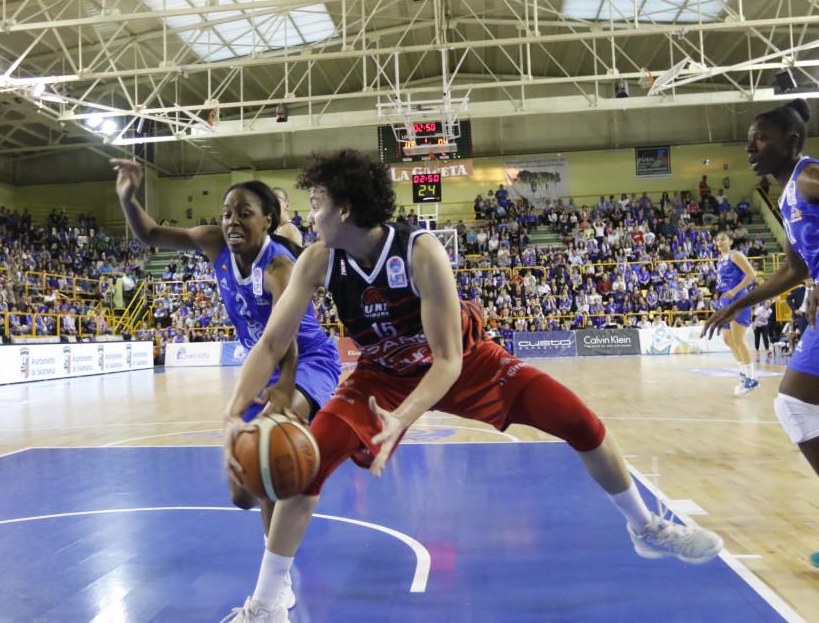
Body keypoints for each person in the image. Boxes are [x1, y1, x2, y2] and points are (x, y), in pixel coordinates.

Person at [222, 150, 723, 621]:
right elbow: (270, 344)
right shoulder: (317, 259)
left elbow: (447, 361)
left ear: (345, 210)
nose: (310, 217)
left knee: (581, 422)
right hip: (380, 376)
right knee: (307, 465)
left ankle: (644, 527)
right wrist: (232, 413)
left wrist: (403, 420)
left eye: (317, 205)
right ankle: (268, 601)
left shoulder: (420, 252)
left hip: (468, 362)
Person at [113, 159, 340, 606]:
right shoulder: (213, 242)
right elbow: (152, 235)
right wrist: (127, 197)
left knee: (270, 442)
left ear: (268, 220)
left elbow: (286, 342)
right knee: (243, 492)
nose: (233, 221)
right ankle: (276, 544)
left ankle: (276, 581)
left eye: (245, 213)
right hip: (265, 361)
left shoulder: (279, 268)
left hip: (307, 359)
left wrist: (283, 392)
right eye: (227, 212)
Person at [702, 98, 819, 569]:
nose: (751, 146)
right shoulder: (789, 194)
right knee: (793, 406)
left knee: (794, 404)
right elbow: (794, 267)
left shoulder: (809, 178)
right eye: (749, 138)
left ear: (790, 141)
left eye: (762, 138)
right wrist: (737, 302)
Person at [713, 230, 759, 395]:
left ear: (730, 241)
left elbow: (751, 275)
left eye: (723, 239)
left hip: (739, 299)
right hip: (725, 301)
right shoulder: (720, 261)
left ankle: (752, 378)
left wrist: (734, 291)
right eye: (717, 240)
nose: (719, 242)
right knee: (727, 339)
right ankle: (743, 374)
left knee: (738, 339)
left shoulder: (735, 255)